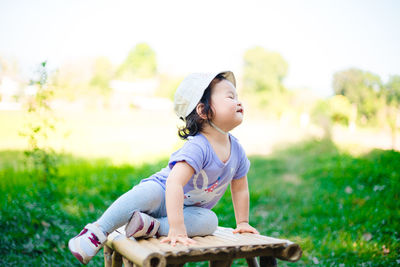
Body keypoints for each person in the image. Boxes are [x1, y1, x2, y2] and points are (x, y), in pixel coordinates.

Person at [68, 71, 259, 265]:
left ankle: (151, 225)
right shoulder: (199, 146)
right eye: (230, 97)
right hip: (162, 193)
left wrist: (242, 222)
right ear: (203, 111)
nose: (238, 102)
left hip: (190, 209)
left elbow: (240, 187)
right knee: (147, 193)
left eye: (237, 97)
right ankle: (96, 232)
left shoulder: (237, 151)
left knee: (209, 221)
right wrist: (176, 228)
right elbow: (174, 182)